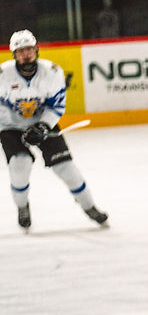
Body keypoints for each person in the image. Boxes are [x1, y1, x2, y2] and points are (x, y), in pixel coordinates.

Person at [0, 30, 108, 231]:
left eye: (29, 49)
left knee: (66, 168)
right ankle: (22, 206)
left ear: (36, 50)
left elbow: (56, 106)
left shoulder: (52, 72)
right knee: (20, 165)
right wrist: (17, 128)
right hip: (11, 127)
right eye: (21, 51)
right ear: (14, 54)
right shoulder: (2, 75)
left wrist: (42, 126)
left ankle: (89, 206)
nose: (26, 54)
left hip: (43, 124)